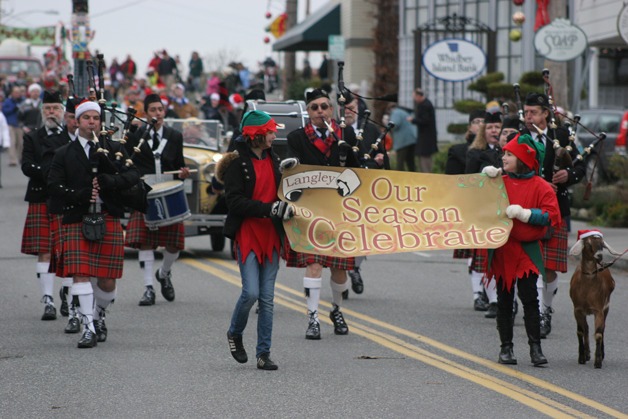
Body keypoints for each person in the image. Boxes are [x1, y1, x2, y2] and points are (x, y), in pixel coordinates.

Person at [48, 99, 140, 348]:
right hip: (77, 217)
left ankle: (99, 314)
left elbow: (133, 176)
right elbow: (53, 185)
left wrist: (111, 181)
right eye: (86, 118)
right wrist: (79, 194)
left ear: (100, 122)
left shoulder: (113, 148)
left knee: (108, 280)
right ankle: (87, 326)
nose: (91, 122)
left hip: (108, 216)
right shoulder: (64, 154)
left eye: (96, 118)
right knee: (80, 274)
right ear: (76, 121)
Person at [217, 110, 293, 370]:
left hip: (271, 234)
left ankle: (263, 353)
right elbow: (234, 202)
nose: (275, 135)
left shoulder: (275, 160)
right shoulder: (237, 164)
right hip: (248, 232)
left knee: (268, 298)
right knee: (250, 293)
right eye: (271, 131)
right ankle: (234, 333)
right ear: (258, 135)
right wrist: (267, 209)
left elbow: (283, 194)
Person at [285, 88, 359, 340]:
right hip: (311, 210)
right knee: (314, 264)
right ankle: (313, 317)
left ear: (332, 110)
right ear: (308, 111)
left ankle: (336, 310)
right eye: (315, 107)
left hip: (340, 210)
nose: (320, 111)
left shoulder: (345, 134)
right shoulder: (297, 137)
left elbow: (359, 171)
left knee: (340, 270)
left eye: (324, 106)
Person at [483, 132, 560, 366]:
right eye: (503, 153)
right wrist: (483, 180)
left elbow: (551, 215)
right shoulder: (500, 182)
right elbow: (476, 203)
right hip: (504, 249)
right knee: (505, 301)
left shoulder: (540, 186)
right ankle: (505, 348)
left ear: (523, 159)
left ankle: (535, 349)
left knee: (529, 299)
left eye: (509, 154)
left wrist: (527, 214)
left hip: (527, 251)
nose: (503, 158)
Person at [522, 93, 585, 338]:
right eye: (526, 113)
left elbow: (580, 165)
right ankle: (534, 310)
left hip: (556, 208)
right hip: (527, 208)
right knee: (531, 265)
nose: (528, 117)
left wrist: (568, 176)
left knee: (548, 267)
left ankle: (545, 310)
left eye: (533, 113)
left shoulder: (561, 135)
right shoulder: (522, 137)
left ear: (545, 113)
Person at [124, 94, 191, 306]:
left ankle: (164, 273)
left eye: (160, 109)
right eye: (152, 110)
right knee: (145, 242)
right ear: (146, 114)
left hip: (169, 192)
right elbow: (128, 164)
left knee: (175, 244)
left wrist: (183, 173)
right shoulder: (137, 136)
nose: (157, 114)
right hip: (145, 193)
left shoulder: (174, 135)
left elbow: (179, 164)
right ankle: (148, 288)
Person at [20, 90, 70, 321]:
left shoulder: (70, 137)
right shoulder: (33, 137)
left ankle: (68, 294)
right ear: (42, 112)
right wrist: (52, 176)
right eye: (48, 108)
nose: (52, 112)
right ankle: (48, 299)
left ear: (62, 112)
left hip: (63, 199)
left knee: (67, 250)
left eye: (56, 108)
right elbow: (27, 166)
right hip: (41, 196)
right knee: (45, 250)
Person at [342, 91, 389, 296]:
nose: (348, 112)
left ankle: (354, 268)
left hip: (366, 192)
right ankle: (342, 274)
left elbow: (384, 161)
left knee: (362, 235)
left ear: (358, 107)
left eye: (351, 107)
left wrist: (380, 161)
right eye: (344, 108)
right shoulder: (335, 131)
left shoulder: (370, 130)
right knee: (342, 236)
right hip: (341, 192)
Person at [445, 109, 489, 311]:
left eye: (484, 122)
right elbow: (451, 181)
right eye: (477, 121)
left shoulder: (499, 150)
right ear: (470, 126)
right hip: (469, 206)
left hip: (492, 207)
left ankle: (491, 293)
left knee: (489, 253)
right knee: (476, 252)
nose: (480, 125)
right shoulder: (459, 150)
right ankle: (477, 292)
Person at [464, 112, 504, 318]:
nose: (494, 130)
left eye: (497, 127)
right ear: (483, 131)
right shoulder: (475, 154)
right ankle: (489, 298)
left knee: (501, 257)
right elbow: (468, 182)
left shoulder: (508, 153)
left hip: (504, 210)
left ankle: (501, 298)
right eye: (490, 127)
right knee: (483, 257)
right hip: (482, 210)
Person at [409, 88, 438, 173]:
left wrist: (413, 120)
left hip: (426, 139)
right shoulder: (426, 104)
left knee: (425, 161)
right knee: (423, 160)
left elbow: (425, 121)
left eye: (414, 96)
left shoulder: (425, 105)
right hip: (426, 138)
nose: (414, 99)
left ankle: (427, 178)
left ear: (418, 96)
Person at [388, 102, 417, 172]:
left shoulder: (395, 112)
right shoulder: (403, 112)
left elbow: (395, 124)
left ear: (390, 109)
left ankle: (399, 179)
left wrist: (387, 125)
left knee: (400, 163)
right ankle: (414, 178)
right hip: (411, 139)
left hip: (402, 141)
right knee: (410, 162)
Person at [3, 86, 25, 166]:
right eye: (16, 92)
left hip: (20, 124)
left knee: (21, 142)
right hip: (10, 123)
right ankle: (13, 160)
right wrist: (13, 108)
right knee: (12, 142)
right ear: (12, 93)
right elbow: (4, 111)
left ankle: (20, 158)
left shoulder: (23, 100)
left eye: (19, 92)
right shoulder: (8, 101)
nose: (17, 94)